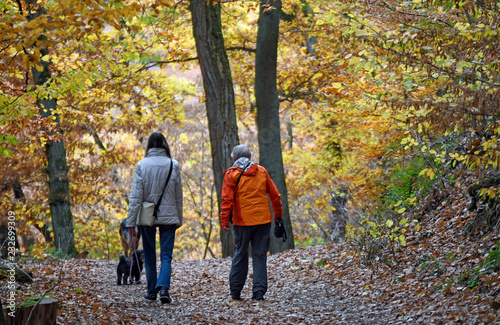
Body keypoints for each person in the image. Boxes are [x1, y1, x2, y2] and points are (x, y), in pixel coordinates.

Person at [126, 132, 183, 304]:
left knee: (149, 256)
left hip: (146, 217)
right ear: (165, 145)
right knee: (166, 256)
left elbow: (136, 196)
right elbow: (178, 196)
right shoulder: (174, 165)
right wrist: (178, 218)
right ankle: (164, 288)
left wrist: (131, 221)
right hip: (169, 217)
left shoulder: (142, 165)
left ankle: (151, 292)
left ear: (149, 145)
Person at [220, 144, 283, 301]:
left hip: (242, 222)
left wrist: (225, 221)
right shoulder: (261, 171)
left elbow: (227, 200)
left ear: (234, 158)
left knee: (240, 254)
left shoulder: (231, 174)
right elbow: (275, 196)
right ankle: (259, 292)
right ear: (249, 158)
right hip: (263, 221)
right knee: (259, 255)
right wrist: (278, 216)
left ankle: (235, 291)